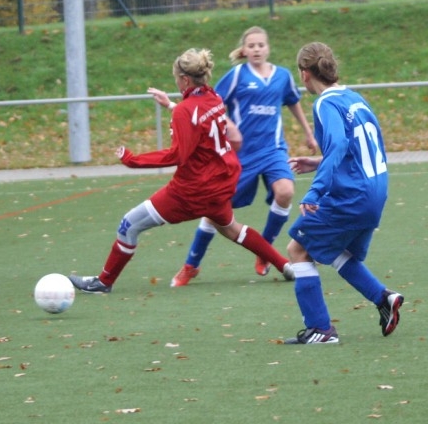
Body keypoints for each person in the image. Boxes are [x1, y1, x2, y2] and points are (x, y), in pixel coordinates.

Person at [69, 48, 293, 294]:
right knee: (230, 228)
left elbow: (177, 154)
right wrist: (171, 105)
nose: (176, 82)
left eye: (176, 78)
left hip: (191, 191)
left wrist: (133, 160)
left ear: (185, 80)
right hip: (220, 185)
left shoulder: (187, 111)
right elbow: (199, 119)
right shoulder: (214, 98)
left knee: (129, 225)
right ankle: (284, 265)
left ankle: (104, 282)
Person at [150, 26, 316, 286]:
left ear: (268, 47)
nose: (257, 49)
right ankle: (191, 265)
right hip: (239, 156)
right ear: (244, 50)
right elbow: (210, 105)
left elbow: (293, 102)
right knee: (214, 212)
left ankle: (266, 253)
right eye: (251, 45)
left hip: (273, 150)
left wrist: (309, 133)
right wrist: (178, 107)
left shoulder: (282, 76)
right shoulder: (237, 76)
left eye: (261, 44)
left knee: (285, 191)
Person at [282, 42, 403, 344]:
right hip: (376, 191)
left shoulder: (325, 103)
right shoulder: (354, 98)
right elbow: (360, 148)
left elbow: (337, 144)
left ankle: (320, 329)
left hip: (353, 195)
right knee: (335, 250)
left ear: (305, 74)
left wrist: (315, 192)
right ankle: (383, 298)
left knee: (298, 250)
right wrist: (318, 163)